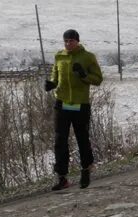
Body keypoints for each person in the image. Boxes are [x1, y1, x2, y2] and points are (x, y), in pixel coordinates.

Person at [44, 29, 103, 191]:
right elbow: (55, 78)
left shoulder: (88, 57)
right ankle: (62, 177)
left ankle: (86, 168)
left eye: (71, 41)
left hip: (80, 104)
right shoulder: (59, 56)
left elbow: (98, 79)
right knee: (60, 139)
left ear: (77, 41)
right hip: (62, 103)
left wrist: (84, 75)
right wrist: (51, 84)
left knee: (82, 138)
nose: (68, 44)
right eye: (66, 41)